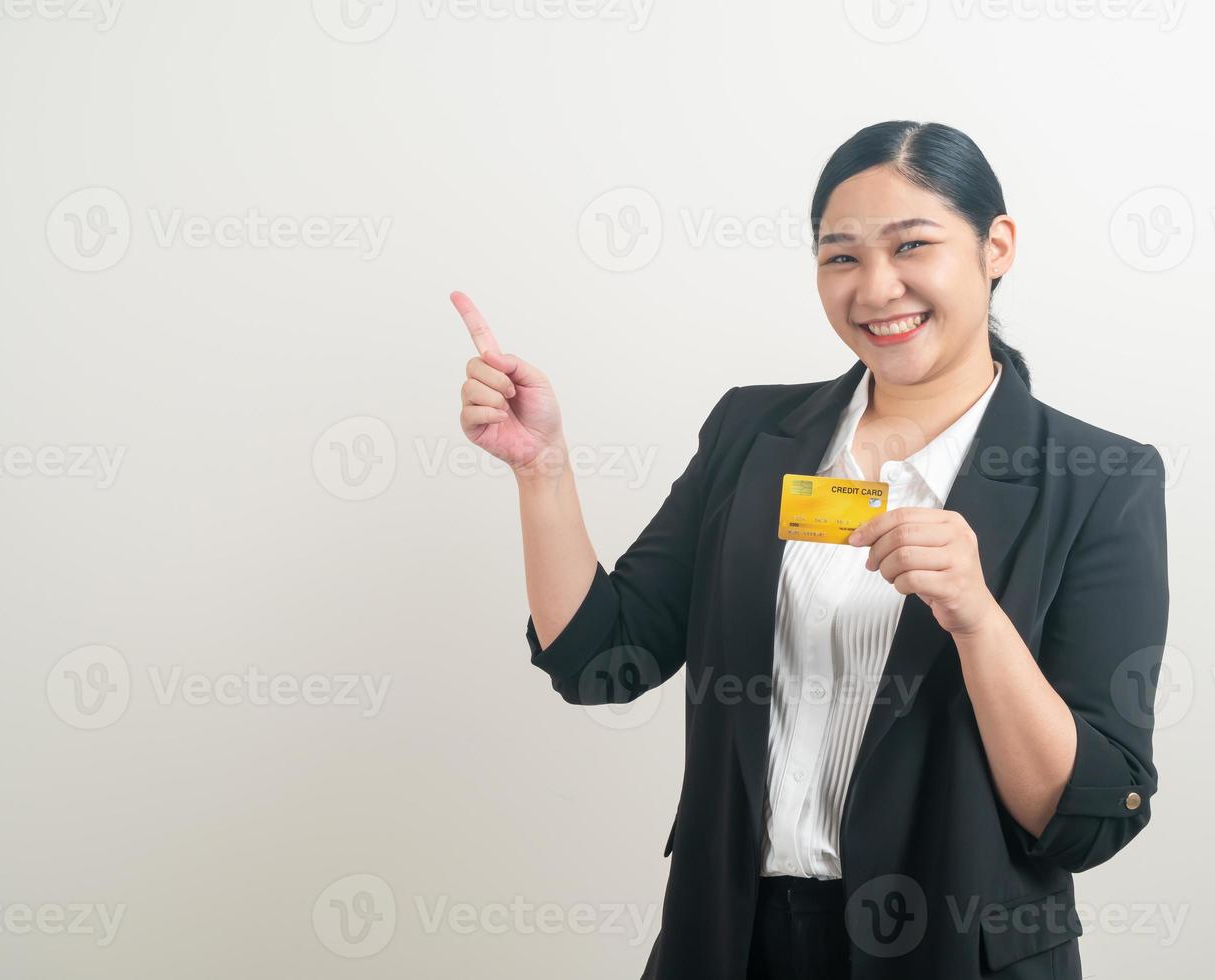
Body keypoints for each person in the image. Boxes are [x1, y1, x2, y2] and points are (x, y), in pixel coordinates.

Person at [453, 120, 1170, 979]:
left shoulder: (1098, 479)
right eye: (841, 257)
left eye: (914, 245)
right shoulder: (754, 433)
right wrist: (543, 471)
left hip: (952, 955)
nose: (876, 289)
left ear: (997, 246)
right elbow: (604, 658)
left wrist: (978, 620)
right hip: (730, 941)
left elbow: (1086, 816)